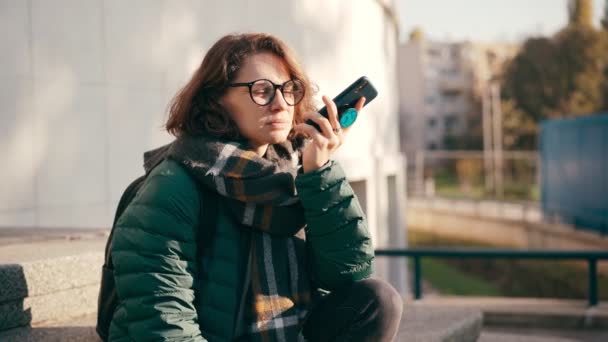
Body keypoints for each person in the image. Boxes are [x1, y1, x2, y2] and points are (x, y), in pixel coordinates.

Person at [107, 33, 403, 342]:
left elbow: (347, 273)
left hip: (287, 333)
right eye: (262, 91)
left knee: (377, 300)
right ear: (216, 99)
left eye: (289, 90)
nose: (280, 104)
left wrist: (320, 174)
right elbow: (163, 318)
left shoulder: (289, 173)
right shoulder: (173, 186)